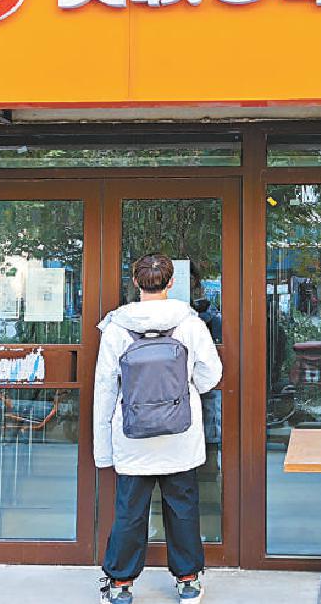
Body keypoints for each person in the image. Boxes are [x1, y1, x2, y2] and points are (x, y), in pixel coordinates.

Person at [95, 253, 223, 604]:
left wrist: (103, 448)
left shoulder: (116, 327)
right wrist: (186, 387)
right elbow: (211, 374)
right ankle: (187, 581)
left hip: (132, 436)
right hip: (180, 434)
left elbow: (105, 388)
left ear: (136, 282)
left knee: (130, 511)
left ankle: (120, 584)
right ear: (171, 283)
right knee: (182, 508)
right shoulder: (190, 323)